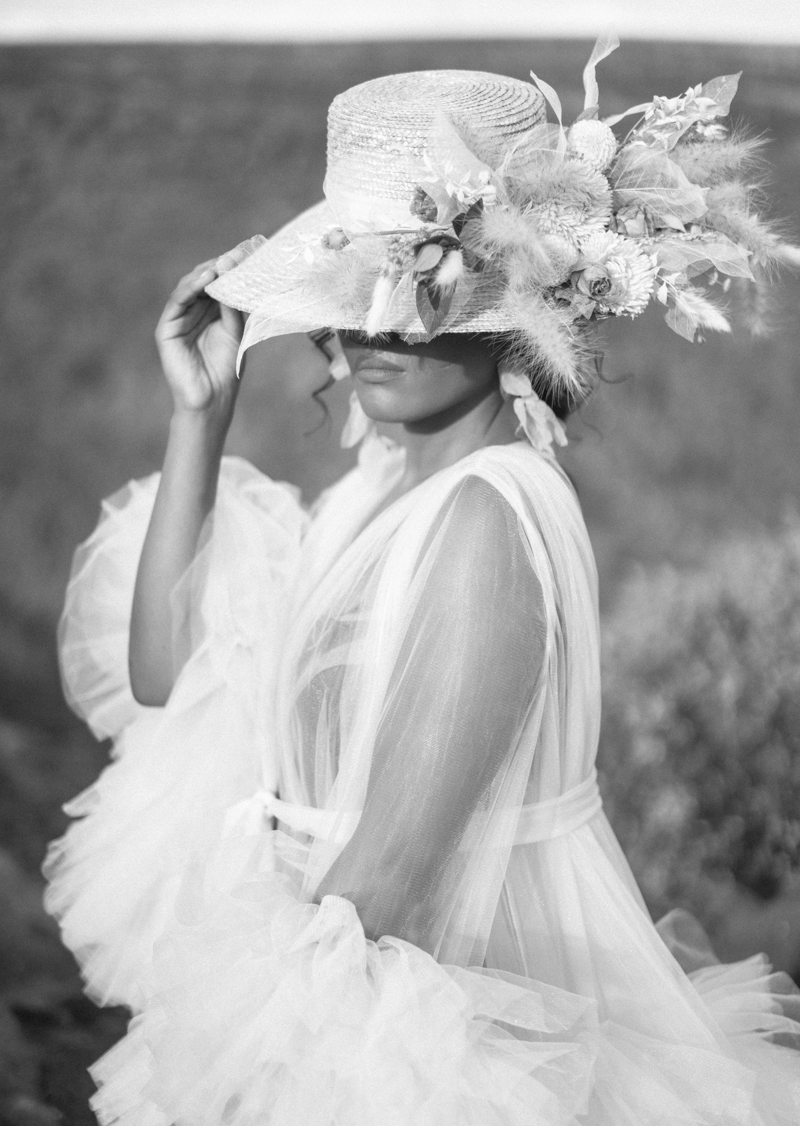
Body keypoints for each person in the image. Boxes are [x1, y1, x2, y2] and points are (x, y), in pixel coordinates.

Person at [46, 54, 800, 1124]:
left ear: (517, 298)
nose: (370, 328)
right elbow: (170, 682)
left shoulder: (489, 518)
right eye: (351, 290)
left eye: (417, 285)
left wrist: (232, 1076)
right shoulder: (374, 490)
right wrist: (197, 419)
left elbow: (384, 883)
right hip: (330, 989)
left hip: (418, 1042)